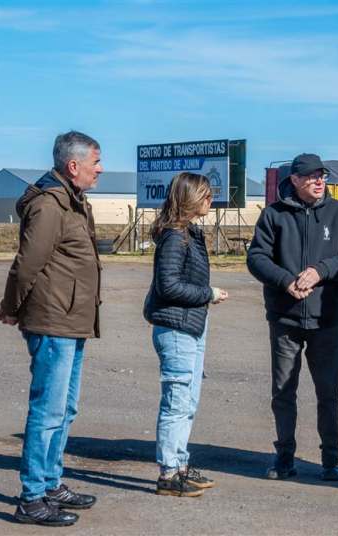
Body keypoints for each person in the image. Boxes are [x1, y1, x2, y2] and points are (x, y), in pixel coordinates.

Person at [0, 131, 103, 527]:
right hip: (53, 319)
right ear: (73, 166)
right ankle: (31, 497)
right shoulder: (50, 205)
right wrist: (11, 307)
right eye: (96, 161)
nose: (101, 168)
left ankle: (52, 484)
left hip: (72, 319)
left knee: (65, 408)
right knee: (47, 410)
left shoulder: (74, 201)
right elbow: (28, 262)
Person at [247, 153, 338, 481]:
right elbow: (256, 257)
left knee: (328, 393)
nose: (318, 181)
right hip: (285, 320)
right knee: (283, 391)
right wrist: (285, 281)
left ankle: (331, 460)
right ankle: (284, 457)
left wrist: (321, 271)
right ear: (295, 180)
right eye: (311, 177)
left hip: (326, 320)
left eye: (322, 176)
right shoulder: (274, 215)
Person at [143, 172, 228, 497]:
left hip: (190, 325)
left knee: (188, 401)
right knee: (177, 402)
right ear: (190, 198)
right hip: (176, 329)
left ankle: (179, 464)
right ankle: (168, 473)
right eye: (205, 195)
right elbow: (169, 285)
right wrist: (208, 293)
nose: (211, 201)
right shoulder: (175, 237)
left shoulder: (189, 234)